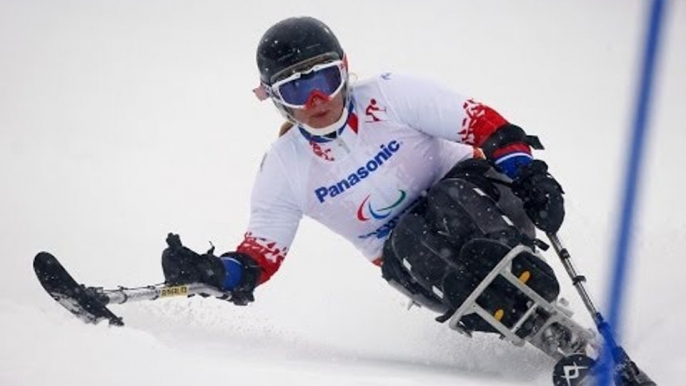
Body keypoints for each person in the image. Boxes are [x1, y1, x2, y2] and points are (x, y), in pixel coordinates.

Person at [161, 16, 565, 333]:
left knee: (450, 200)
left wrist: (528, 174)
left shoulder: (390, 95)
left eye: (325, 80)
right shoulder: (284, 168)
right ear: (275, 99)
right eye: (297, 91)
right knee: (408, 237)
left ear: (345, 70)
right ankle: (516, 322)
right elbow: (258, 258)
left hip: (486, 199)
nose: (318, 100)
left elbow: (485, 126)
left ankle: (525, 280)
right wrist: (217, 274)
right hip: (420, 263)